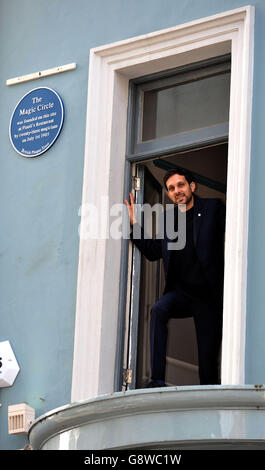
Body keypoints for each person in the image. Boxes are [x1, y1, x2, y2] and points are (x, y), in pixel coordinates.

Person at [125, 168, 225, 387]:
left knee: (208, 363)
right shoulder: (168, 218)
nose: (176, 191)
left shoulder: (213, 208)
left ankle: (208, 404)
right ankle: (157, 380)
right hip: (180, 293)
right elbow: (153, 252)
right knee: (159, 310)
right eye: (171, 188)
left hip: (208, 296)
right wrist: (134, 224)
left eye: (180, 185)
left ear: (192, 186)